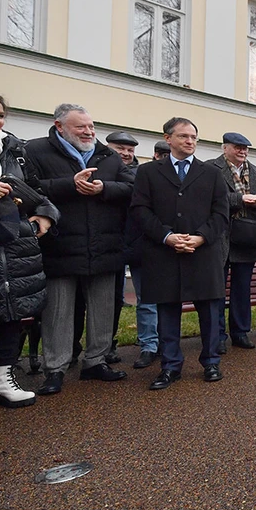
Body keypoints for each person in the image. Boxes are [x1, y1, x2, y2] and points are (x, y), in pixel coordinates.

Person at [27, 103, 134, 396]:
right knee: (58, 312)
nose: (88, 132)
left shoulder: (108, 155)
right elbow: (28, 189)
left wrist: (104, 189)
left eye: (91, 126)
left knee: (102, 309)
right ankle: (56, 369)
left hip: (104, 246)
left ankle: (95, 361)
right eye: (81, 127)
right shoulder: (35, 151)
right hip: (59, 245)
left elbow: (131, 189)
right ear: (60, 126)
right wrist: (68, 185)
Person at [131, 117, 229, 390]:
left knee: (209, 311)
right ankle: (170, 366)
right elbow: (140, 210)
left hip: (202, 253)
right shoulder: (149, 172)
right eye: (184, 136)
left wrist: (200, 237)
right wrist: (167, 236)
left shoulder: (211, 174)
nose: (190, 142)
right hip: (164, 253)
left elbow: (221, 213)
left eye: (194, 137)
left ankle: (210, 362)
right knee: (167, 313)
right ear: (168, 138)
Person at [0, 94, 59, 408]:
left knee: (10, 315)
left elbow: (37, 191)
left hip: (16, 250)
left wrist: (46, 215)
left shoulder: (15, 151)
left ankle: (4, 380)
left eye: (0, 114)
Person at [104, 131, 161, 370]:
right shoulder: (100, 170)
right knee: (109, 301)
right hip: (106, 244)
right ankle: (104, 347)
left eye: (130, 150)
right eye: (120, 149)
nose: (126, 154)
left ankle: (149, 345)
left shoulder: (144, 175)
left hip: (139, 245)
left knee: (146, 299)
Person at [210, 132, 256, 352]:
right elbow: (208, 198)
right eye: (237, 148)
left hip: (247, 237)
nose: (242, 152)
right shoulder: (211, 169)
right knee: (216, 289)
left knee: (242, 289)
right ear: (224, 148)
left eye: (245, 149)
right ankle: (216, 336)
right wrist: (239, 199)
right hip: (220, 238)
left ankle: (240, 332)